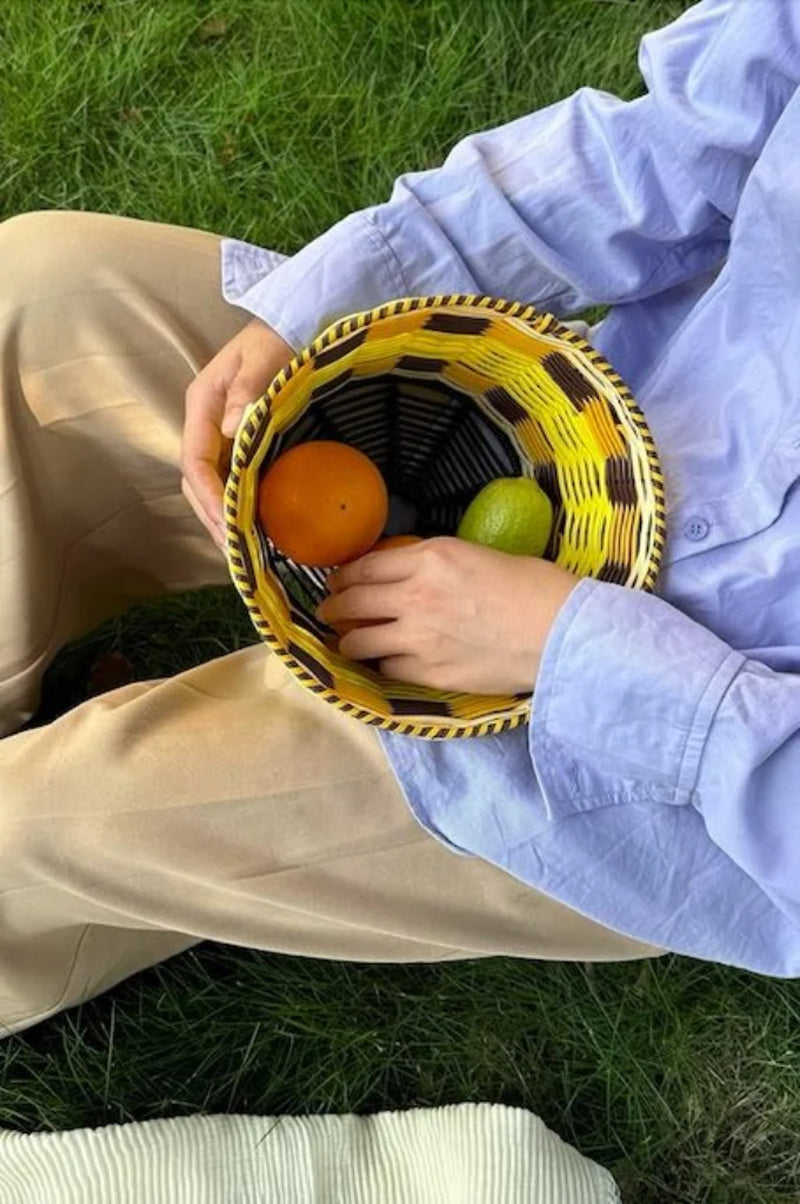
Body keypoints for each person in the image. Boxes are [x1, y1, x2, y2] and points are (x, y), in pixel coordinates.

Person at [2, 0, 798, 1038]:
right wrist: (317, 306)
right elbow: (666, 145)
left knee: (46, 818)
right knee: (39, 294)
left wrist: (565, 647)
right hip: (559, 435)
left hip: (652, 759)